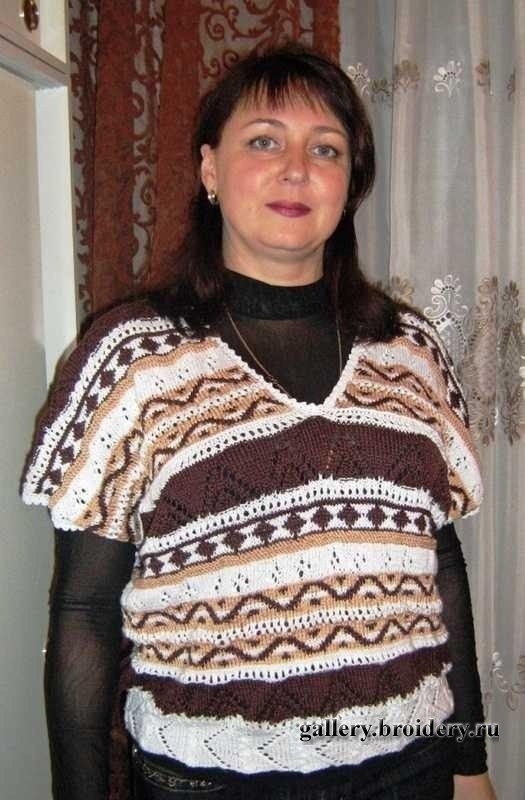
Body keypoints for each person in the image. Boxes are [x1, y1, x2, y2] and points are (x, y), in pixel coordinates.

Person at [21, 44, 497, 800]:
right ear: (210, 169)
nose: (297, 169)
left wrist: (469, 763)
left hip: (411, 766)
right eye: (265, 140)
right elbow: (83, 612)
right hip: (212, 777)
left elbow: (440, 565)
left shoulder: (410, 353)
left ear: (350, 183)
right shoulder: (133, 361)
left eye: (326, 149)